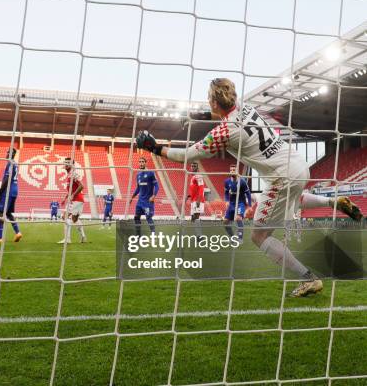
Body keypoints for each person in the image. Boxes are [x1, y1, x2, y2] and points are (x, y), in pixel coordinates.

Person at [136, 77, 363, 297]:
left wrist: (154, 147)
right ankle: (334, 202)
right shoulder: (247, 107)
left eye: (209, 99)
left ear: (215, 102)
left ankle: (308, 278)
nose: (208, 102)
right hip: (298, 164)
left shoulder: (224, 132)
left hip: (281, 177)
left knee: (259, 236)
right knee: (294, 199)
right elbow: (228, 115)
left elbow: (186, 155)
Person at [0, 148, 22, 243]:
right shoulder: (15, 164)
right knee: (8, 213)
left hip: (8, 190)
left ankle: (0, 238)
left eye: (7, 152)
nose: (6, 154)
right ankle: (18, 232)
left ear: (10, 154)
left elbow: (7, 178)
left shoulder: (10, 164)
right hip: (15, 189)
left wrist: (0, 191)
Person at [58, 157, 86, 244]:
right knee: (74, 219)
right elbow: (71, 190)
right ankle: (83, 236)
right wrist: (65, 198)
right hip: (76, 200)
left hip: (77, 199)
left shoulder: (73, 174)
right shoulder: (69, 174)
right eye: (65, 162)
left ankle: (67, 239)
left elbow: (81, 186)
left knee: (66, 217)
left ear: (71, 164)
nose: (65, 164)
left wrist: (73, 195)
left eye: (67, 163)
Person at [129, 157, 159, 235]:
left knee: (148, 218)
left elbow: (157, 186)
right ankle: (138, 235)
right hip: (140, 201)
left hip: (148, 202)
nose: (141, 163)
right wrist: (132, 197)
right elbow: (138, 188)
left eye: (143, 161)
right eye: (140, 162)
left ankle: (153, 234)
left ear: (146, 163)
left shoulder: (151, 173)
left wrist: (153, 196)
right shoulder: (138, 175)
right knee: (136, 217)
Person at [223, 164, 251, 243]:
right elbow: (225, 192)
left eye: (234, 170)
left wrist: (249, 206)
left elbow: (248, 194)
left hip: (240, 203)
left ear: (237, 171)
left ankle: (240, 238)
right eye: (231, 170)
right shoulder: (227, 181)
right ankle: (232, 238)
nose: (232, 171)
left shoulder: (242, 181)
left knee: (238, 218)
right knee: (225, 222)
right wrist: (227, 200)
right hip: (231, 204)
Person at [187, 161, 205, 238]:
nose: (193, 167)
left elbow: (201, 188)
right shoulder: (193, 177)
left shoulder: (198, 176)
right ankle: (197, 234)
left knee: (196, 217)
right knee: (193, 218)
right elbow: (194, 189)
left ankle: (199, 236)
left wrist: (198, 200)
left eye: (195, 166)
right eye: (192, 166)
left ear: (197, 168)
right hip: (193, 200)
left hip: (198, 201)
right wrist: (189, 196)